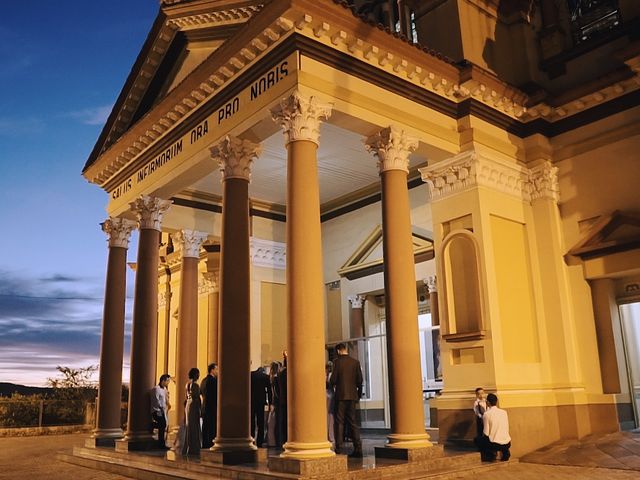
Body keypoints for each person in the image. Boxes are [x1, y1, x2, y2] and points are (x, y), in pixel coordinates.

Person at [330, 343, 363, 457]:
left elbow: (333, 379)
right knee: (353, 422)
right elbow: (360, 381)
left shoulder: (337, 362)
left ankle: (339, 447)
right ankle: (358, 447)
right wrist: (357, 395)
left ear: (339, 351)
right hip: (352, 396)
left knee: (340, 422)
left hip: (341, 396)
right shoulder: (355, 362)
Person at [478, 393, 511, 462]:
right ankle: (505, 452)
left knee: (478, 440)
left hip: (494, 444)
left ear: (488, 402)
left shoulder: (487, 414)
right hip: (507, 442)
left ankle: (490, 454)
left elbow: (486, 432)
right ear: (496, 401)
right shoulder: (504, 412)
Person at [251, 365, 272, 447]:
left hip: (251, 401)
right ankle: (259, 442)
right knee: (261, 422)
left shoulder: (251, 375)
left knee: (251, 421)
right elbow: (269, 391)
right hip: (261, 401)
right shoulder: (265, 377)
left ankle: (251, 439)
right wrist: (270, 403)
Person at [183, 367, 202, 455]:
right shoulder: (196, 385)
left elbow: (186, 397)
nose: (199, 375)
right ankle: (194, 447)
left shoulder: (187, 384)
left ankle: (188, 446)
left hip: (188, 404)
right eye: (198, 373)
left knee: (189, 425)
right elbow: (197, 397)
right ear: (195, 374)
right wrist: (201, 408)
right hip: (194, 405)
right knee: (194, 425)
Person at [150, 374, 171, 450]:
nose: (168, 383)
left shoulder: (164, 389)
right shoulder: (156, 389)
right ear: (163, 381)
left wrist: (168, 404)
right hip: (156, 410)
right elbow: (156, 400)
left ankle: (161, 443)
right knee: (163, 424)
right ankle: (152, 425)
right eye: (167, 381)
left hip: (162, 410)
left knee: (163, 425)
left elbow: (165, 399)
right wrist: (160, 408)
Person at [200, 363, 218, 448]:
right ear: (212, 370)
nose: (218, 371)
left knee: (205, 427)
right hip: (212, 407)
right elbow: (215, 395)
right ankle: (211, 444)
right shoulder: (213, 381)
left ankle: (205, 443)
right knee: (212, 427)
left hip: (204, 407)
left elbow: (201, 392)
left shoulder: (203, 380)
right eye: (217, 369)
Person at [266, 362, 279, 447]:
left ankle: (271, 441)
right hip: (275, 402)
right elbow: (275, 393)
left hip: (272, 401)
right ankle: (273, 441)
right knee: (273, 422)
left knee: (270, 423)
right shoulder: (276, 378)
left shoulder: (270, 378)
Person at [325, 361, 335, 444]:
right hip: (328, 395)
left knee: (330, 416)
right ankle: (328, 435)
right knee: (328, 416)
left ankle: (330, 435)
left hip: (330, 395)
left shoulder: (330, 376)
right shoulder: (327, 375)